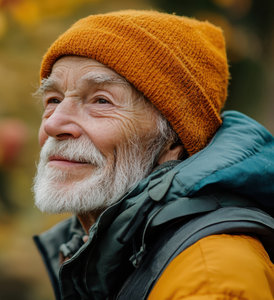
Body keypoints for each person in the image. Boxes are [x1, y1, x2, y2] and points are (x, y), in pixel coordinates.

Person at [32, 10, 274, 300]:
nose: (53, 123)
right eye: (54, 100)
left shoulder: (211, 277)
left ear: (173, 140)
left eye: (101, 101)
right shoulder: (112, 254)